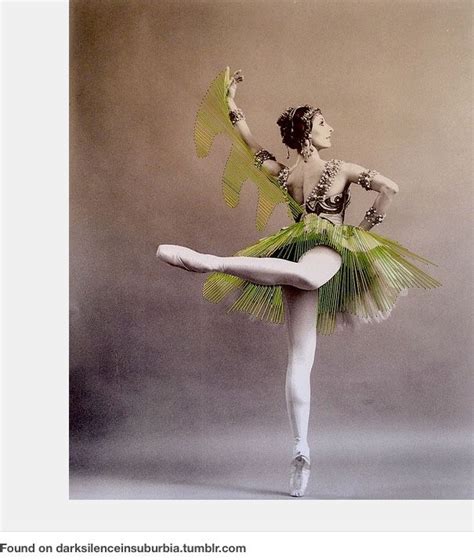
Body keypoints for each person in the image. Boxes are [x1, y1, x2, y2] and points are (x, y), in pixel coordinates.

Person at [157, 68, 440, 497]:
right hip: (325, 247)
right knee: (303, 330)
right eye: (324, 123)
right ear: (308, 131)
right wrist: (366, 228)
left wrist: (231, 104)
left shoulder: (286, 175)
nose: (332, 129)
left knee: (301, 355)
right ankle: (215, 263)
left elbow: (250, 144)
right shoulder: (341, 168)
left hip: (294, 247)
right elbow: (391, 187)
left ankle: (301, 448)